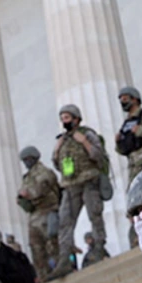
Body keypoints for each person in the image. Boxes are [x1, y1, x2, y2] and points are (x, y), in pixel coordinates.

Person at [52, 104, 110, 267]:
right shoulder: (62, 140)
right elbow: (58, 166)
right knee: (65, 221)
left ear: (76, 119)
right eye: (62, 118)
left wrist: (84, 142)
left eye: (67, 118)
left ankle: (99, 247)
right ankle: (64, 257)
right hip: (70, 186)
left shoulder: (87, 134)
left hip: (89, 181)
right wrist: (56, 151)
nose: (64, 121)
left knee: (95, 215)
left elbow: (98, 155)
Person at [16, 145, 66, 281]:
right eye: (24, 160)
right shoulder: (27, 177)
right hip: (34, 216)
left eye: (28, 159)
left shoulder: (44, 172)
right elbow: (20, 197)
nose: (26, 162)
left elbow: (38, 190)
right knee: (36, 248)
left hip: (48, 211)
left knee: (52, 245)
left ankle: (60, 272)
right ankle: (43, 277)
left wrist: (27, 194)